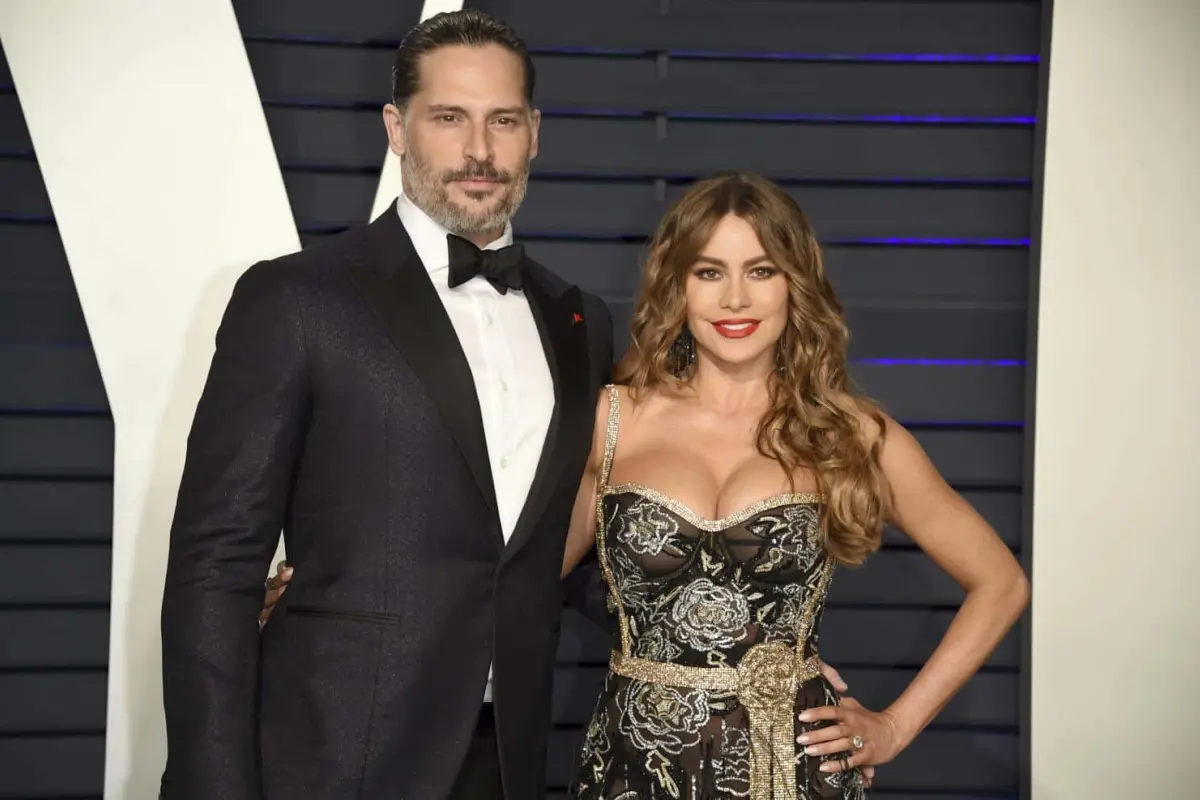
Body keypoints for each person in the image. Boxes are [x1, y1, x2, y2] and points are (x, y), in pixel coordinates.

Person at [158, 10, 616, 799]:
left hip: (507, 757)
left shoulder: (579, 318)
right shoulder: (297, 299)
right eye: (449, 118)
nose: (480, 149)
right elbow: (215, 566)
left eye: (502, 120)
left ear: (535, 132)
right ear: (396, 129)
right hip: (328, 755)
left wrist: (745, 641)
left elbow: (558, 551)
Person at [557, 173, 1030, 799]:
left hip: (792, 772)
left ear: (794, 285)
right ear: (677, 284)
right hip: (631, 767)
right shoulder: (611, 420)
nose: (734, 300)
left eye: (760, 271)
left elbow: (1001, 583)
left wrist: (894, 725)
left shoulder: (850, 433)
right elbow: (522, 582)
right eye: (708, 272)